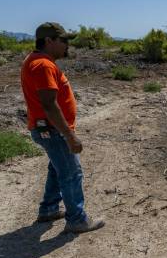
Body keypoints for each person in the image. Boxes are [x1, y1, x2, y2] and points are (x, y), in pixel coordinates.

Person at [20, 22, 105, 234]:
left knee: (57, 168)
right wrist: (70, 136)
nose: (68, 45)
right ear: (49, 41)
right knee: (71, 173)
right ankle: (77, 219)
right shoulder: (43, 65)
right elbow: (49, 104)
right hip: (52, 130)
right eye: (64, 41)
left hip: (47, 129)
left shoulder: (37, 61)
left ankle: (48, 209)